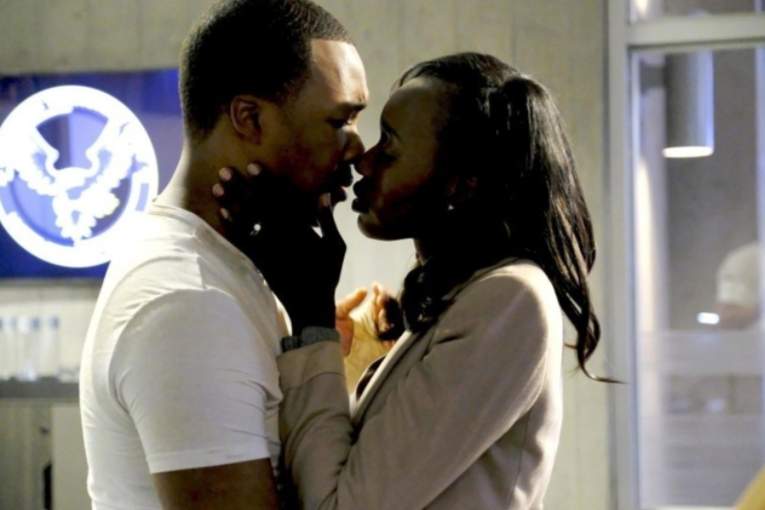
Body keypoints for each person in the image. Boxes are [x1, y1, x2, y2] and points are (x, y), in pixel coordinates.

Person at [216, 52, 605, 509]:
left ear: (462, 184)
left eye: (389, 146)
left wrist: (312, 318)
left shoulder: (511, 298)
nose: (363, 161)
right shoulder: (460, 297)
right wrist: (341, 357)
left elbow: (340, 506)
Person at [78, 1, 367, 509]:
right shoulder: (188, 300)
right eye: (339, 121)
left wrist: (313, 318)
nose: (358, 151)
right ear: (249, 118)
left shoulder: (222, 269)